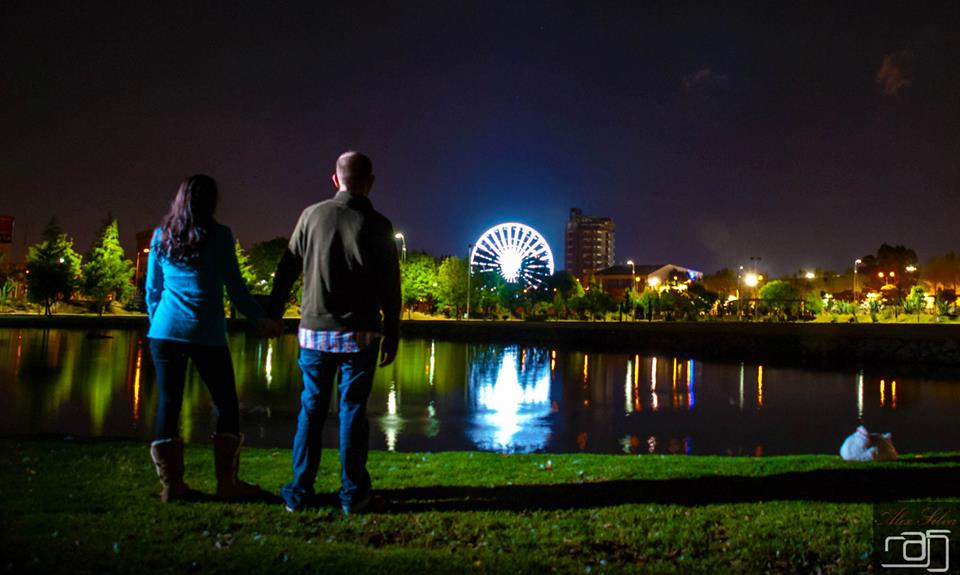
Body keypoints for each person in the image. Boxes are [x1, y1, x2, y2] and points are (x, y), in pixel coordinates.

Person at [269, 151, 401, 514]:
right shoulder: (379, 225)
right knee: (353, 411)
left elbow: (287, 267)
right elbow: (390, 288)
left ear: (335, 179)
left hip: (314, 331)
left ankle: (300, 491)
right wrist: (392, 331)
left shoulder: (311, 216)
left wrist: (273, 311)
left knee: (310, 410)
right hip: (361, 334)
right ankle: (353, 493)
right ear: (370, 182)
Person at [146, 174, 279, 502]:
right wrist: (261, 318)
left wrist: (161, 322)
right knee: (227, 405)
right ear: (212, 202)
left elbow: (152, 290)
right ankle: (226, 483)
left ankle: (172, 486)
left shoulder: (161, 236)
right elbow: (236, 289)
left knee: (169, 405)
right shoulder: (220, 236)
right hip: (206, 333)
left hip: (164, 333)